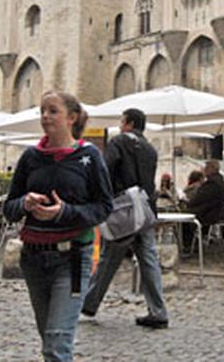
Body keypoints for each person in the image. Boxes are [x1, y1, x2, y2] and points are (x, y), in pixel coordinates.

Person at [4, 91, 113, 360]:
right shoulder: (30, 157)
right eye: (42, 111)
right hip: (33, 257)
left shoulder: (89, 157)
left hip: (74, 258)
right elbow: (9, 207)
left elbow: (103, 207)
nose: (45, 116)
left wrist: (63, 212)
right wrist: (25, 204)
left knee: (56, 342)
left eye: (53, 111)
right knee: (49, 338)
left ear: (71, 117)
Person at [82, 108, 169, 329]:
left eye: (122, 121)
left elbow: (104, 170)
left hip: (123, 210)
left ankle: (88, 305)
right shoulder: (150, 149)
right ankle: (158, 311)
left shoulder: (119, 142)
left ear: (129, 123)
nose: (120, 125)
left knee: (109, 259)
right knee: (148, 260)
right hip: (146, 211)